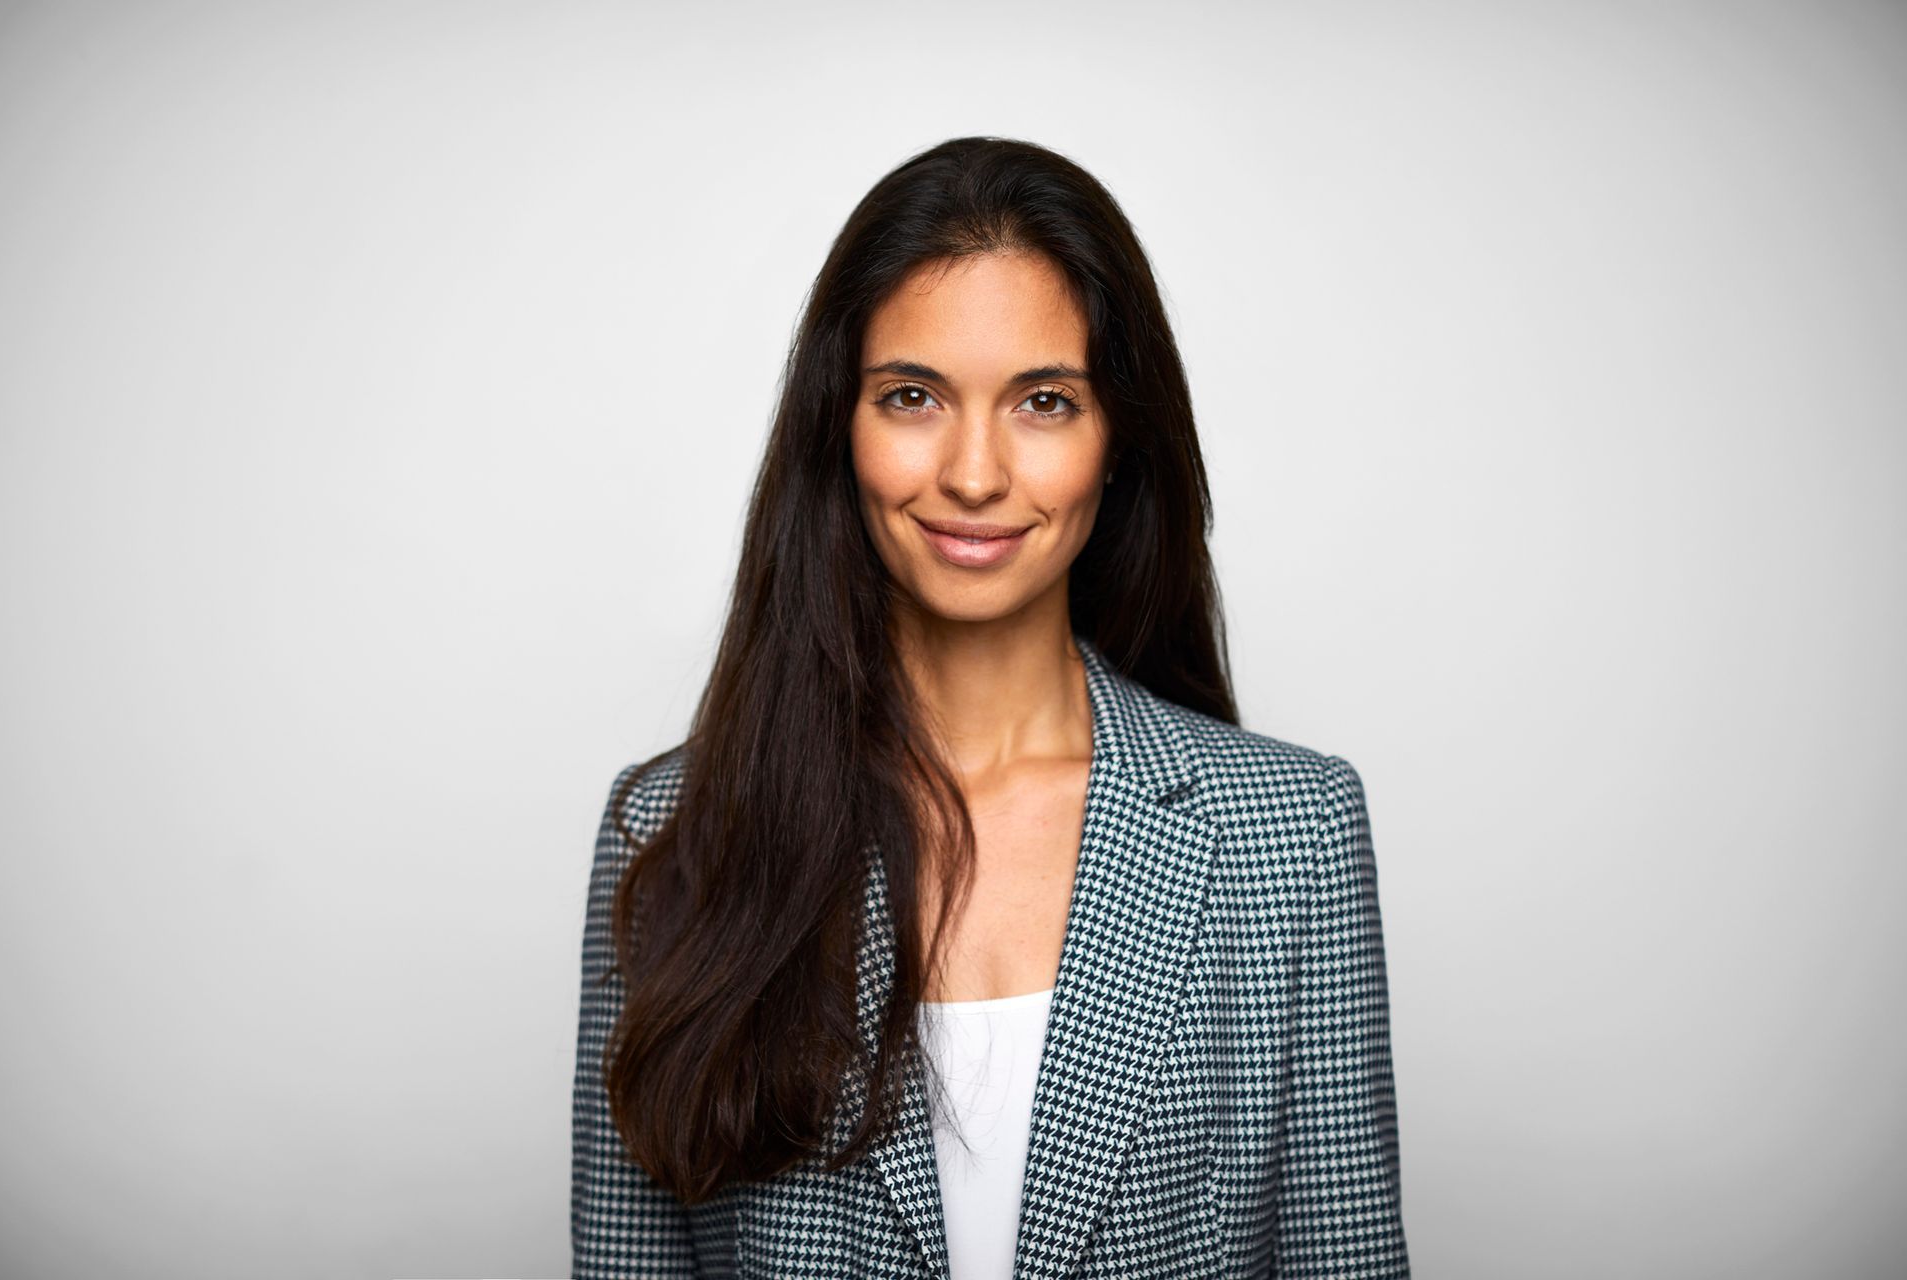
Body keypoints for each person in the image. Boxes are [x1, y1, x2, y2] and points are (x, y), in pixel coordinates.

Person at [571, 135, 1408, 1279]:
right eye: (912, 395)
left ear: (1118, 442)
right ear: (839, 428)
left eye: (1043, 401)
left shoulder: (1289, 832)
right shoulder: (675, 831)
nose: (973, 472)